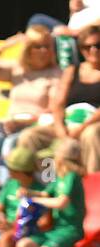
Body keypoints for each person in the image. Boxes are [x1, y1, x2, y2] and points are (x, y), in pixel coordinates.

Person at [0, 27, 61, 181]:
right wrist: (4, 47)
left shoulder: (56, 74)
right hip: (10, 125)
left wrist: (24, 120)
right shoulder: (19, 71)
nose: (43, 51)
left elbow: (52, 109)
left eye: (47, 46)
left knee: (10, 145)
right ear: (28, 49)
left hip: (35, 127)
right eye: (37, 46)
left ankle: (6, 191)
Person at [16, 24, 100, 172]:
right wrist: (62, 130)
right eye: (87, 47)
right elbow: (58, 103)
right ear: (81, 49)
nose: (93, 50)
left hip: (92, 122)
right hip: (68, 121)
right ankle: (46, 183)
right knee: (30, 136)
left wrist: (81, 128)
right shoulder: (72, 71)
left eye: (98, 46)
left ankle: (93, 187)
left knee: (91, 135)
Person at [18, 137, 86, 247]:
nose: (52, 160)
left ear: (61, 158)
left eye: (54, 156)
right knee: (23, 246)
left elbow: (61, 202)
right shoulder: (60, 177)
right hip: (56, 229)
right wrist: (29, 192)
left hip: (71, 230)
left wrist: (36, 201)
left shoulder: (72, 176)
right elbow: (45, 194)